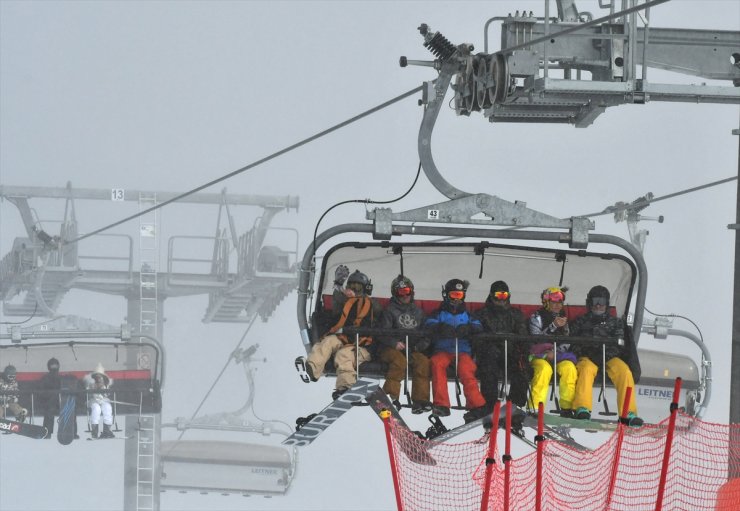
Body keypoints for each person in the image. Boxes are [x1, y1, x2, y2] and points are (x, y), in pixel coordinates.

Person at [303, 269, 383, 400]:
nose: (353, 289)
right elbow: (337, 304)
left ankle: (346, 386)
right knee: (328, 341)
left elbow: (378, 308)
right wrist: (338, 287)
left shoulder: (371, 304)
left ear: (364, 288)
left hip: (363, 346)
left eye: (357, 287)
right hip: (345, 339)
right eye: (351, 286)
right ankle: (312, 368)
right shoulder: (345, 302)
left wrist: (363, 296)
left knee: (344, 355)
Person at [570, 285, 643, 427]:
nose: (598, 305)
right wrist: (586, 353)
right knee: (586, 370)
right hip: (587, 357)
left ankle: (628, 413)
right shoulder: (580, 322)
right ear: (589, 302)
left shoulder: (615, 323)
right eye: (596, 301)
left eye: (602, 302)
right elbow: (572, 341)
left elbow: (619, 344)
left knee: (624, 371)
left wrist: (604, 356)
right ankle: (582, 408)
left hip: (609, 357)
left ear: (607, 304)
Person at [425, 279, 486, 419]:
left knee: (466, 369)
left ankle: (476, 405)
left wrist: (469, 328)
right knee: (437, 364)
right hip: (443, 350)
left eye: (459, 295)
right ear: (446, 295)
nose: (456, 299)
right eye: (453, 295)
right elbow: (429, 324)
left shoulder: (468, 315)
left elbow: (479, 327)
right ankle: (441, 404)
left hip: (462, 351)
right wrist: (440, 328)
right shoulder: (439, 313)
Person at [376, 275, 431, 414]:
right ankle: (390, 396)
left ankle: (420, 400)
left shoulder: (418, 312)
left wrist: (418, 347)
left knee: (423, 362)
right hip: (390, 349)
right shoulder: (389, 311)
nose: (405, 295)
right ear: (395, 293)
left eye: (407, 291)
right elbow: (382, 332)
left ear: (412, 292)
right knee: (399, 361)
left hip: (411, 349)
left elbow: (426, 335)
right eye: (401, 292)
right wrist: (394, 343)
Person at [475, 281, 531, 409]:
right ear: (491, 295)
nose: (501, 300)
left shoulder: (515, 314)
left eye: (504, 296)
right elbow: (477, 334)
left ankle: (515, 405)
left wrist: (522, 353)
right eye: (498, 296)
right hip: (490, 353)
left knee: (521, 369)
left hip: (510, 352)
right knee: (489, 370)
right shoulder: (482, 314)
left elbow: (523, 336)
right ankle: (489, 405)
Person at [528, 286, 578, 417]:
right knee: (544, 370)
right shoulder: (537, 317)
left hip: (557, 356)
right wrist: (553, 326)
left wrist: (555, 352)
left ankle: (566, 408)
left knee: (569, 368)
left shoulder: (564, 320)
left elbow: (568, 340)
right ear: (546, 302)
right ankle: (534, 408)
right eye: (554, 302)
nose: (557, 305)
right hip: (538, 356)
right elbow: (536, 338)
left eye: (560, 302)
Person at [83, 363, 115, 439]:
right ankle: (94, 431)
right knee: (96, 409)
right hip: (93, 401)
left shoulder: (106, 385)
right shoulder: (91, 384)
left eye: (100, 377)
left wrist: (104, 392)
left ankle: (107, 430)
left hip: (104, 401)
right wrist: (92, 390)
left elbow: (107, 394)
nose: (99, 379)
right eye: (97, 377)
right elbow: (88, 393)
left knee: (107, 408)